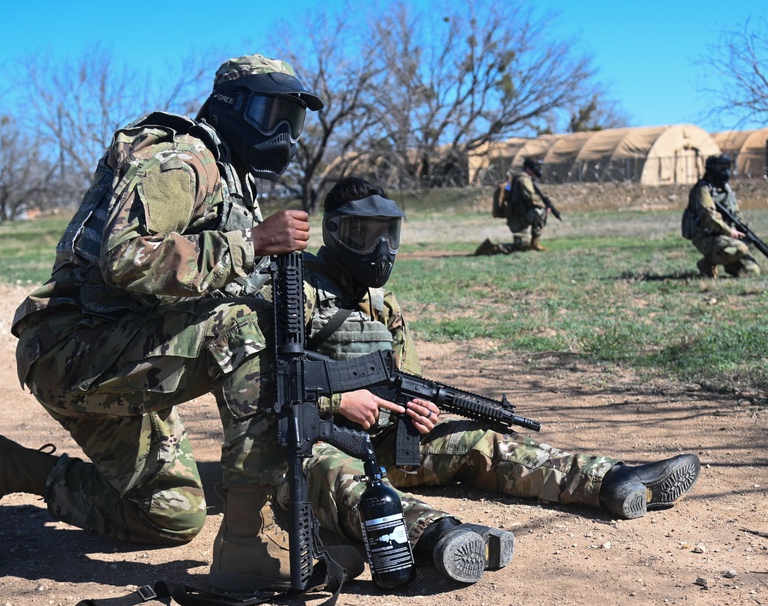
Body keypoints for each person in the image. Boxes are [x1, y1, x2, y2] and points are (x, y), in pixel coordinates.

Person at [0, 55, 364, 589]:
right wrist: (253, 244)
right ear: (230, 108)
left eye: (292, 119)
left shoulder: (232, 180)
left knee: (172, 515)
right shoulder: (186, 161)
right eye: (270, 113)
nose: (282, 132)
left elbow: (219, 283)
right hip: (74, 350)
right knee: (243, 328)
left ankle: (4, 467)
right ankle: (245, 547)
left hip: (125, 356)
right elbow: (123, 258)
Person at [279, 176, 701, 584]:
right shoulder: (296, 291)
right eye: (363, 235)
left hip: (385, 444)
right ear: (334, 232)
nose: (380, 248)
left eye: (388, 234)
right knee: (346, 482)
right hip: (309, 448)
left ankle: (610, 480)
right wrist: (338, 402)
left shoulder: (381, 304)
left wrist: (419, 410)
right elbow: (258, 384)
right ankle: (440, 535)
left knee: (482, 441)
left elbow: (405, 376)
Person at [682, 155, 760, 278]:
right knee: (740, 248)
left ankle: (728, 263)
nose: (726, 171)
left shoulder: (726, 189)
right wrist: (730, 232)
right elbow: (709, 217)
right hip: (705, 237)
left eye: (727, 167)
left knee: (752, 271)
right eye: (721, 167)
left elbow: (736, 213)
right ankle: (707, 263)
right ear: (712, 169)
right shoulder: (703, 189)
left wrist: (742, 231)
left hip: (726, 237)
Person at [476, 157, 557, 255]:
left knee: (540, 212)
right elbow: (530, 197)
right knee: (522, 245)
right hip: (517, 218)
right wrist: (543, 205)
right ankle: (492, 248)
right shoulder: (523, 179)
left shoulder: (517, 178)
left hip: (518, 216)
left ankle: (534, 244)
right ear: (528, 168)